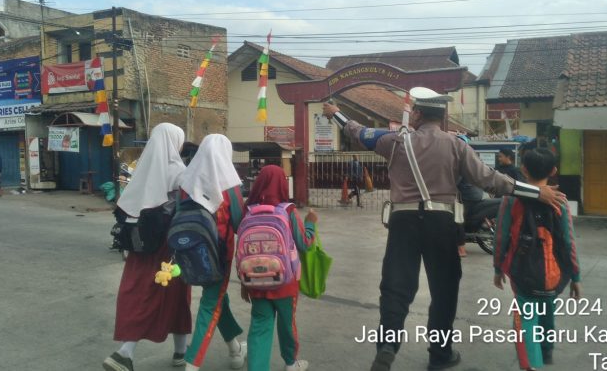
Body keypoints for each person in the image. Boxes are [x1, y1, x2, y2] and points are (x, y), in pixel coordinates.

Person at [322, 87, 566, 371]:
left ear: (418, 113)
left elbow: (358, 132)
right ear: (442, 115)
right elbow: (492, 180)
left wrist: (335, 113)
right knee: (444, 291)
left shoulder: (394, 142)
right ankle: (440, 355)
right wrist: (537, 193)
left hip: (403, 222)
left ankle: (388, 345)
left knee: (396, 288)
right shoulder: (457, 145)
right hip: (442, 223)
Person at [103, 123, 192, 371]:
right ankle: (125, 353)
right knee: (172, 295)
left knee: (139, 291)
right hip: (169, 247)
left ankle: (178, 351)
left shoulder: (142, 168)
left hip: (140, 245)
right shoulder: (179, 171)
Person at [493, 148, 582, 371]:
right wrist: (576, 276)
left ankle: (531, 364)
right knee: (548, 308)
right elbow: (568, 242)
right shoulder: (560, 201)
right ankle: (546, 350)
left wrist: (497, 268)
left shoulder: (511, 200)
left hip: (522, 273)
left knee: (525, 320)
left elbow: (501, 237)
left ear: (523, 169)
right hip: (553, 274)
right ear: (554, 171)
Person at [180, 134, 248, 371]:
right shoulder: (229, 185)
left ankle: (235, 349)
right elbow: (240, 223)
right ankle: (192, 364)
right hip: (219, 254)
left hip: (190, 251)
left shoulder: (187, 182)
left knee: (217, 297)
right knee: (211, 303)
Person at [240, 165, 317, 371]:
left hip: (255, 282)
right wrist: (311, 224)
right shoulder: (288, 211)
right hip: (285, 282)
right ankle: (291, 364)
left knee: (259, 327)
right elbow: (304, 244)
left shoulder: (248, 212)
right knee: (286, 325)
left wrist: (243, 282)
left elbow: (243, 252)